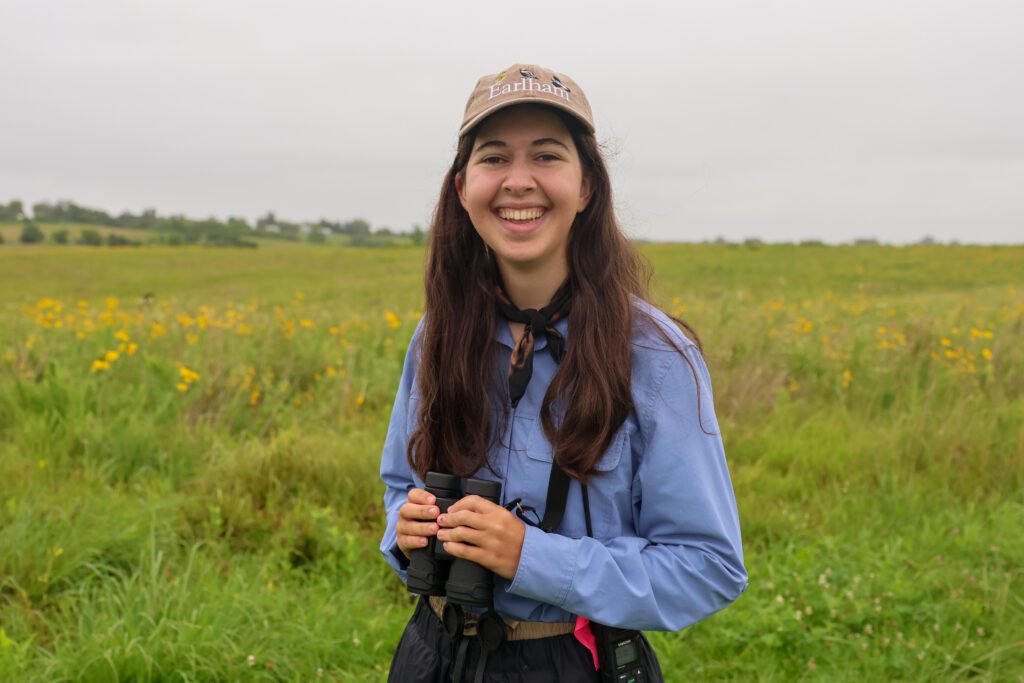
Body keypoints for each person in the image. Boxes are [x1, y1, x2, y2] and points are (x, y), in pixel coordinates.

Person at [379, 63, 747, 682]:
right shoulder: (438, 334)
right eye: (494, 158)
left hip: (574, 662)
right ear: (463, 185)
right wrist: (407, 531)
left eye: (547, 157)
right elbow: (397, 489)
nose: (517, 182)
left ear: (587, 188)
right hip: (432, 655)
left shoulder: (656, 355)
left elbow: (707, 566)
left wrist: (533, 558)